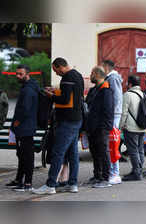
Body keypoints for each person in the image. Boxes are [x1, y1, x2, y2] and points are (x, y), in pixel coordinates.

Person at [33, 57, 84, 195]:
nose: (56, 74)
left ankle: (50, 185)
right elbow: (72, 95)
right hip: (77, 119)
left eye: (56, 71)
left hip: (67, 121)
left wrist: (51, 96)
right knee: (73, 153)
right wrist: (56, 90)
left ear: (60, 66)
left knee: (58, 153)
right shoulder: (77, 75)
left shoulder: (67, 77)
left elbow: (65, 99)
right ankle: (72, 184)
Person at [5, 64, 39, 192]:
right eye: (17, 73)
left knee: (27, 156)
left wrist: (16, 123)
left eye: (21, 74)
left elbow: (25, 109)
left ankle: (27, 183)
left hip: (25, 127)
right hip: (25, 127)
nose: (18, 76)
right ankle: (19, 179)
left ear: (27, 74)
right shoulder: (28, 87)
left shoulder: (28, 90)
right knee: (22, 154)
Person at [86, 66, 114, 188]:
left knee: (103, 152)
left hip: (102, 128)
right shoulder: (94, 90)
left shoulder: (106, 90)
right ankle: (97, 175)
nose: (90, 75)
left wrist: (105, 127)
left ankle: (106, 178)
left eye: (92, 73)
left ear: (97, 74)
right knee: (95, 153)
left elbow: (108, 111)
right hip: (92, 127)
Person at [120, 75, 146, 181]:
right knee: (140, 149)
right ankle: (139, 170)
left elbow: (124, 113)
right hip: (142, 126)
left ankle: (136, 173)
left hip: (131, 127)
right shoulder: (144, 94)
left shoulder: (127, 95)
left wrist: (120, 126)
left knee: (133, 150)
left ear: (130, 84)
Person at [102, 60, 123, 185]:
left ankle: (115, 173)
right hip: (113, 114)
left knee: (113, 144)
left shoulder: (113, 78)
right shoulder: (111, 77)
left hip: (113, 115)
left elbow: (116, 97)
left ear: (106, 67)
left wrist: (112, 112)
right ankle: (112, 171)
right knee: (111, 144)